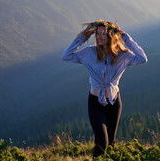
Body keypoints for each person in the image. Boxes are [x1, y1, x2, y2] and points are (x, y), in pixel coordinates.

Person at [61, 19, 148, 158]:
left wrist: (125, 37)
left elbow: (143, 58)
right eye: (97, 33)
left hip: (114, 103)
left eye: (103, 33)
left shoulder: (122, 55)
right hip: (95, 103)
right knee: (102, 142)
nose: (99, 37)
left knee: (111, 143)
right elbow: (66, 55)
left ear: (111, 36)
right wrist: (83, 38)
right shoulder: (89, 52)